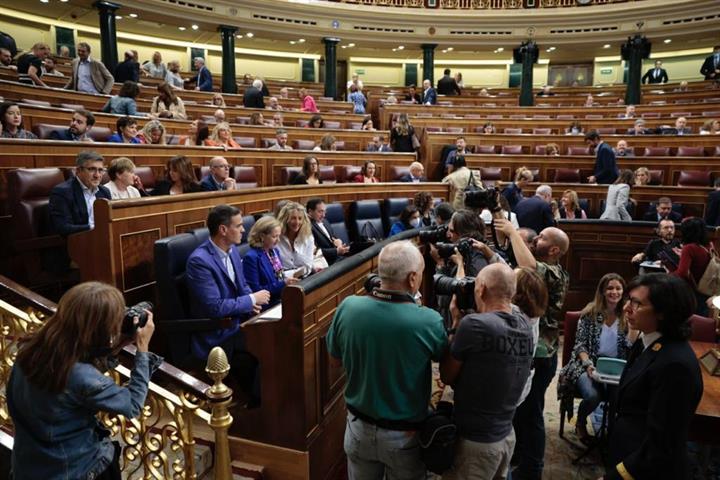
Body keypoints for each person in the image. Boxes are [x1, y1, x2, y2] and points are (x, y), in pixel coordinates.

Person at [7, 282, 156, 480]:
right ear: (98, 329)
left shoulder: (32, 349)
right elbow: (132, 404)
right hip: (78, 469)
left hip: (30, 465)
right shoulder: (82, 377)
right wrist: (142, 348)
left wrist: (119, 344)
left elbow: (73, 376)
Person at [326, 240, 447, 479]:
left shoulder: (348, 307)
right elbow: (448, 370)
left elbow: (335, 361)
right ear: (413, 278)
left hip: (357, 426)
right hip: (404, 436)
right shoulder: (428, 320)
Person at [440, 263, 533, 480]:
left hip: (476, 443)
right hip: (506, 434)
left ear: (480, 288)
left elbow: (446, 375)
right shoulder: (525, 324)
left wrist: (455, 322)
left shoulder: (473, 325)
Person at [605, 274, 702, 480]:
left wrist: (616, 476)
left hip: (646, 470)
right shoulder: (647, 340)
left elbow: (662, 443)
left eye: (637, 304)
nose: (626, 309)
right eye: (629, 300)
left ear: (663, 312)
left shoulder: (675, 364)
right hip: (628, 451)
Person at [493, 220, 569, 480]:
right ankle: (519, 457)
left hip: (541, 356)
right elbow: (515, 271)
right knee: (521, 411)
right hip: (530, 354)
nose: (536, 240)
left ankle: (533, 468)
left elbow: (527, 267)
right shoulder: (542, 269)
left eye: (543, 238)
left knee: (533, 413)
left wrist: (513, 232)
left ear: (555, 250)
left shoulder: (555, 273)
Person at [185, 205, 271, 398]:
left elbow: (243, 287)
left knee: (275, 339)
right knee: (265, 351)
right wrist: (250, 300)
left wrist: (254, 305)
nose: (243, 230)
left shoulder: (232, 251)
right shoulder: (199, 261)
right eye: (239, 226)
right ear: (223, 230)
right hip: (218, 333)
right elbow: (215, 307)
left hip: (239, 323)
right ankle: (258, 408)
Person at [557, 274, 637, 444]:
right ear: (602, 291)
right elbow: (580, 345)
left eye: (618, 288)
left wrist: (632, 325)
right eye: (610, 288)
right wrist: (588, 365)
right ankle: (581, 421)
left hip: (617, 367)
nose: (614, 292)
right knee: (593, 396)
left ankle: (612, 431)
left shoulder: (628, 315)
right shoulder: (590, 313)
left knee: (620, 398)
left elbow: (631, 347)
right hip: (587, 363)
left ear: (624, 292)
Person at [49, 151, 112, 236]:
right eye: (91, 169)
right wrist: (94, 228)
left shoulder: (104, 192)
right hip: (77, 243)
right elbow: (63, 227)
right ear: (78, 171)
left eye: (100, 170)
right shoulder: (62, 192)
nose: (97, 175)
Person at [243, 216, 300, 305]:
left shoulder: (274, 251)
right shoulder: (251, 258)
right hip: (267, 305)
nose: (278, 240)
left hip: (281, 298)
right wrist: (283, 284)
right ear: (262, 236)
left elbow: (279, 276)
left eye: (279, 236)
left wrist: (287, 281)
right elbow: (256, 290)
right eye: (274, 236)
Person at [670, 217, 713, 315]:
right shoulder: (709, 245)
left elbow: (682, 273)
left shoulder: (689, 248)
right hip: (707, 289)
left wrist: (668, 275)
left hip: (693, 292)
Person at [306, 198, 349, 266]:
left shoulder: (325, 221)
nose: (323, 215)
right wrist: (336, 251)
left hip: (339, 258)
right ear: (310, 211)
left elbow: (334, 237)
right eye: (320, 212)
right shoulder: (307, 227)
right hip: (325, 263)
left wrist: (339, 242)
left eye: (324, 212)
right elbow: (316, 251)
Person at [276, 201, 315, 274]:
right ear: (285, 219)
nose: (297, 222)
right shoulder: (276, 238)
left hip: (304, 278)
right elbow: (275, 269)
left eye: (300, 218)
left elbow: (308, 267)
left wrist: (295, 274)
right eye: (293, 218)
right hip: (283, 280)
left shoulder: (309, 238)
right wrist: (292, 274)